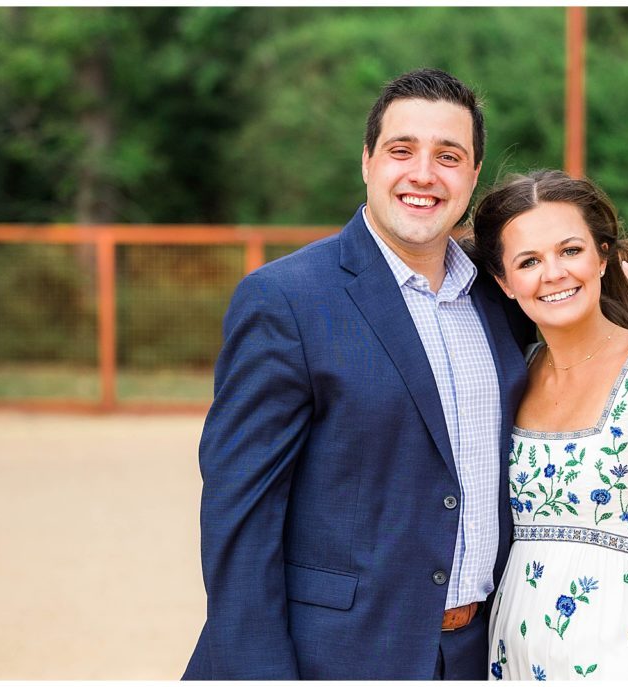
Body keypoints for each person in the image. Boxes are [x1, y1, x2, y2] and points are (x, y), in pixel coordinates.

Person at [183, 68, 536, 680]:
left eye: (448, 156)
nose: (424, 173)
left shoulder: (502, 297)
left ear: (473, 175)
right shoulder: (286, 299)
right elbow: (240, 518)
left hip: (478, 655)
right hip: (335, 657)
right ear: (367, 161)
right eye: (402, 150)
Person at [469, 169, 628, 680]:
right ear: (504, 282)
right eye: (529, 261)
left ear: (602, 257)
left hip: (618, 643)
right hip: (514, 648)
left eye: (570, 250)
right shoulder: (516, 370)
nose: (553, 273)